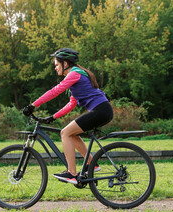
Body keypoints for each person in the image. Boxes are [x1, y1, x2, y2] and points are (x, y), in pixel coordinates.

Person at [23, 48, 113, 184]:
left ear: (65, 63)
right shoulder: (77, 75)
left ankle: (71, 173)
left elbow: (55, 91)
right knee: (72, 134)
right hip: (102, 110)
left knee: (65, 133)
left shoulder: (74, 74)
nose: (55, 68)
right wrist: (53, 117)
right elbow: (72, 103)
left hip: (100, 110)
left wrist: (33, 105)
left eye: (57, 65)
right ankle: (91, 164)